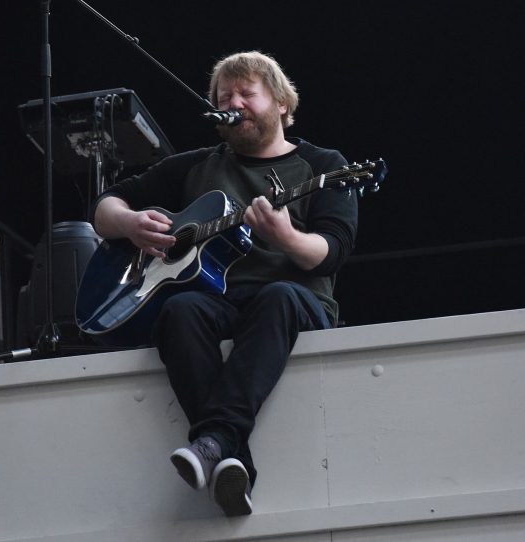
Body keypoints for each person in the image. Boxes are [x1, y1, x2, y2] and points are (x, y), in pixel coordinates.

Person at [91, 51, 358, 516]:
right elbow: (104, 207)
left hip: (294, 307)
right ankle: (228, 455)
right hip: (222, 304)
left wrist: (285, 236)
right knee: (179, 310)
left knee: (278, 295)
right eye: (223, 97)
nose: (232, 103)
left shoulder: (324, 164)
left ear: (280, 103)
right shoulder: (196, 167)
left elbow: (331, 253)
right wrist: (131, 223)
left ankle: (211, 442)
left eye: (245, 94)